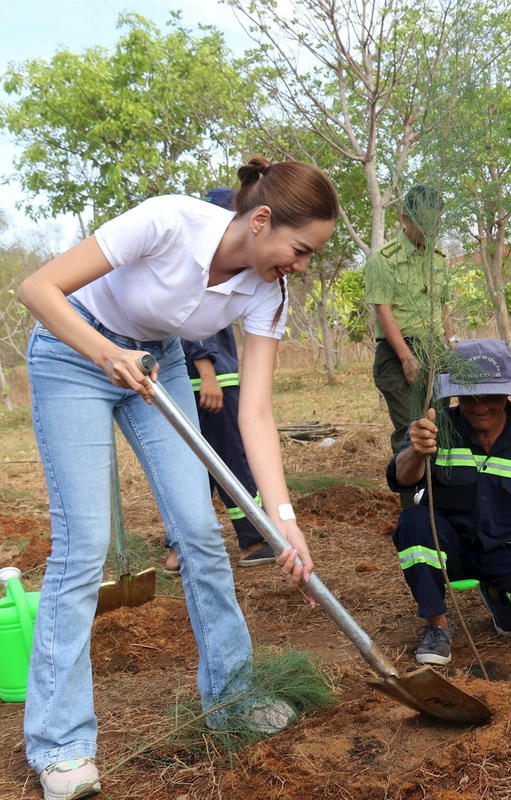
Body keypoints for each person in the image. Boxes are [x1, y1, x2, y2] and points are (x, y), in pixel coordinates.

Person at [16, 157, 336, 800]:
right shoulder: (168, 220)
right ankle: (61, 745)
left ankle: (232, 699)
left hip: (155, 362)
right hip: (74, 350)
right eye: (299, 251)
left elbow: (258, 411)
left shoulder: (264, 290)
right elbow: (38, 288)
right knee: (83, 548)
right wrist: (104, 353)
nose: (300, 267)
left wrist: (283, 520)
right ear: (262, 220)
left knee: (199, 531)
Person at [387, 338, 511, 665]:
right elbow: (402, 478)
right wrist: (416, 452)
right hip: (450, 546)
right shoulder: (435, 430)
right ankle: (436, 625)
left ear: (508, 392)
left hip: (508, 544)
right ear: (456, 394)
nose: (480, 406)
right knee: (414, 522)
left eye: (491, 396)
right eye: (470, 396)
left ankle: (499, 597)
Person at [165, 188, 272, 573]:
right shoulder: (205, 260)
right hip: (210, 381)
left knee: (195, 464)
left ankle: (179, 549)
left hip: (191, 380)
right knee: (229, 459)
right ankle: (254, 539)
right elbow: (192, 324)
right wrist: (207, 372)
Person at [364, 184, 458, 459]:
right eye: (423, 223)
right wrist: (406, 357)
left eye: (435, 223)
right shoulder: (384, 261)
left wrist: (451, 342)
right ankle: (413, 498)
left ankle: (437, 496)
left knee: (440, 426)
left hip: (434, 351)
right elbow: (383, 311)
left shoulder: (439, 259)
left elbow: (442, 305)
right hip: (397, 354)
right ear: (405, 218)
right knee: (413, 431)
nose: (429, 230)